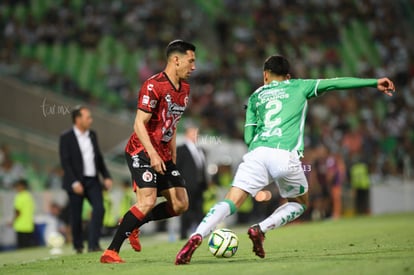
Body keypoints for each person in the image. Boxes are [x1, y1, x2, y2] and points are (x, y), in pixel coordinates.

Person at [175, 55, 395, 264]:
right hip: (284, 155)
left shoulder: (255, 96)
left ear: (265, 75)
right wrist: (374, 82)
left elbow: (248, 137)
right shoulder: (299, 86)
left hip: (257, 154)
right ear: (287, 76)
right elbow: (336, 83)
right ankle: (260, 229)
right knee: (299, 203)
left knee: (231, 201)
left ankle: (196, 236)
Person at [100, 39, 196, 263]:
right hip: (141, 151)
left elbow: (173, 122)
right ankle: (111, 251)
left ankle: (134, 223)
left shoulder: (185, 89)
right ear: (176, 59)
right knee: (147, 201)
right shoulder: (154, 85)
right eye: (190, 61)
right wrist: (152, 154)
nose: (194, 67)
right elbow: (138, 123)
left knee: (180, 204)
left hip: (162, 153)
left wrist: (171, 152)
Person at [59, 105, 113, 253]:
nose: (91, 120)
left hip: (92, 180)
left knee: (100, 209)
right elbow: (65, 162)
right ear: (78, 119)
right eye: (87, 117)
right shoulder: (66, 137)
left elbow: (99, 158)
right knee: (76, 216)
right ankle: (78, 245)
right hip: (75, 181)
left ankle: (93, 244)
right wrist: (74, 182)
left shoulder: (92, 135)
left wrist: (106, 176)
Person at [176, 124, 208, 239]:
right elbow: (177, 167)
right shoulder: (181, 149)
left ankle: (200, 233)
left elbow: (201, 167)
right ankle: (183, 235)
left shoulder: (200, 149)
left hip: (199, 185)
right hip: (187, 186)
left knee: (199, 210)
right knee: (187, 211)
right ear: (187, 134)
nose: (196, 135)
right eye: (193, 133)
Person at [12, 179, 35, 248]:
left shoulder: (19, 196)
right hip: (29, 225)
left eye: (17, 186)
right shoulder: (29, 196)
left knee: (21, 247)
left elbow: (18, 212)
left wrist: (12, 221)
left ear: (22, 186)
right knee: (28, 247)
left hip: (20, 226)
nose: (16, 188)